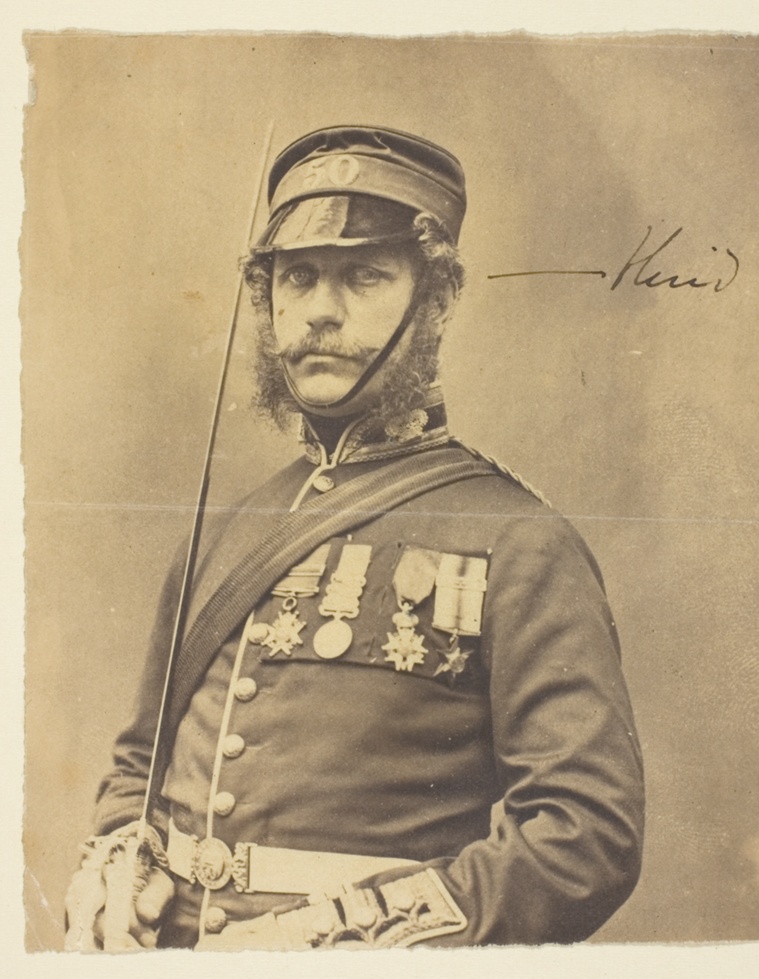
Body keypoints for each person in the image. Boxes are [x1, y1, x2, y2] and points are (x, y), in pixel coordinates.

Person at [65, 125, 645, 950]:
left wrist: (337, 936)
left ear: (437, 298)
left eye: (363, 276)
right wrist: (118, 856)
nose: (319, 312)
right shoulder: (229, 529)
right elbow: (138, 761)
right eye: (297, 277)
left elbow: (584, 836)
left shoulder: (519, 541)